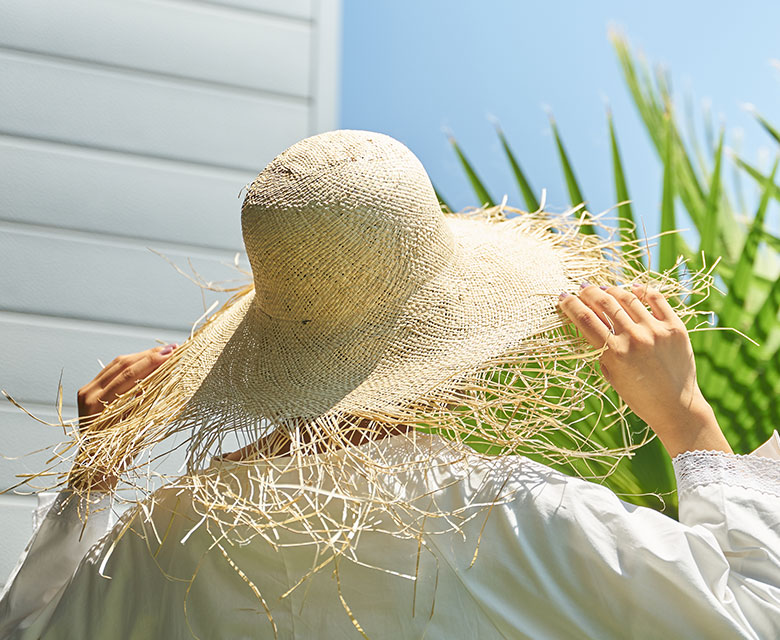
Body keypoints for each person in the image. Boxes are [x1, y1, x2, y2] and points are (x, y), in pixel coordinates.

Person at [0, 131, 778, 639]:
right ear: (464, 344)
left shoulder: (162, 538)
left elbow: (27, 631)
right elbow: (753, 615)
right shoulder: (503, 513)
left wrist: (92, 476)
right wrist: (684, 419)